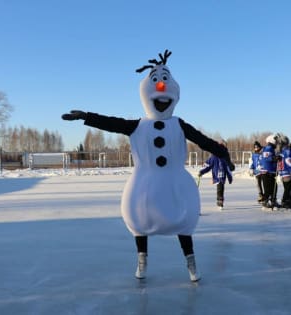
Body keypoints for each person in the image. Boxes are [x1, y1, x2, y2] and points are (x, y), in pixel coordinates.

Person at [62, 50, 234, 282]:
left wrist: (224, 155)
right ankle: (142, 261)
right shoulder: (137, 125)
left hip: (175, 182)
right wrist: (87, 116)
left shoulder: (179, 124)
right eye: (155, 80)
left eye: (165, 80)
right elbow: (111, 123)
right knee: (138, 219)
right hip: (144, 183)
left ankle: (191, 263)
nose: (161, 86)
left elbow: (205, 141)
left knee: (183, 220)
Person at [199, 145, 233, 210]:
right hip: (216, 177)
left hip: (222, 177)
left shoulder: (224, 158)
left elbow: (227, 169)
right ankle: (219, 201)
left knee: (221, 189)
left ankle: (220, 201)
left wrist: (230, 177)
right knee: (219, 189)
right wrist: (201, 172)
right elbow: (207, 166)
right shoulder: (213, 158)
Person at [260, 134, 280, 210]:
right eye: (276, 142)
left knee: (274, 188)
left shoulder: (272, 149)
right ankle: (265, 203)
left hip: (271, 172)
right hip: (266, 172)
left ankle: (273, 201)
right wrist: (275, 158)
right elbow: (267, 158)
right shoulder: (268, 148)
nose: (277, 143)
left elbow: (273, 161)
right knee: (268, 189)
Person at [277, 135, 291, 209]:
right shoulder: (287, 151)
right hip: (287, 173)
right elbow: (289, 162)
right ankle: (285, 201)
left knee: (287, 188)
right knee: (288, 188)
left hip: (282, 173)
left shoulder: (281, 152)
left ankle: (286, 201)